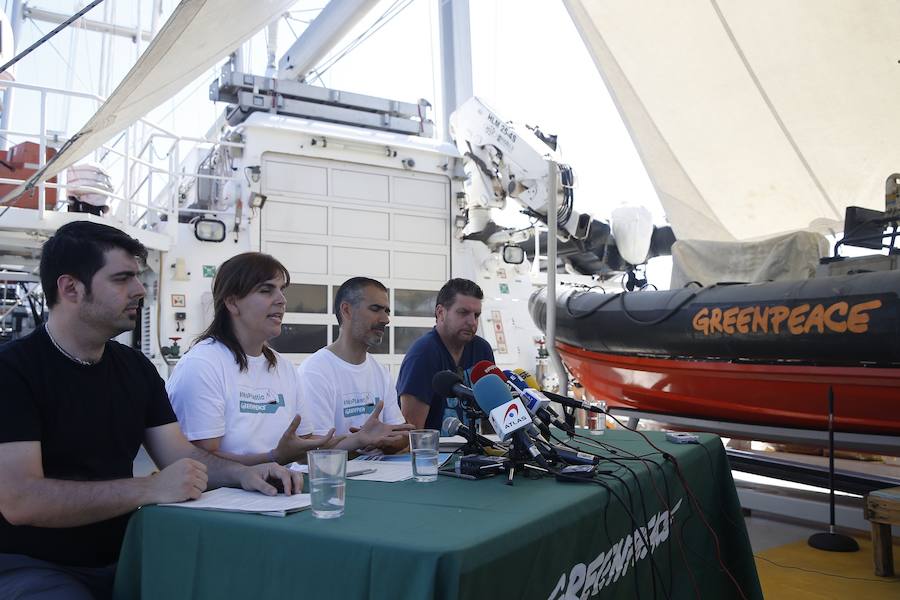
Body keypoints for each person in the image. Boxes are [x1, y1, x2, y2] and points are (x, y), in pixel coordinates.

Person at [0, 222, 299, 600]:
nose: (140, 290)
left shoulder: (136, 369)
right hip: (31, 566)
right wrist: (150, 488)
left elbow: (183, 453)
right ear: (71, 288)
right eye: (123, 278)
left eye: (138, 277)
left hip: (132, 553)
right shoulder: (13, 371)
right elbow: (20, 500)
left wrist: (246, 473)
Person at [167, 255, 403, 462]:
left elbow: (307, 445)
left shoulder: (283, 368)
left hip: (280, 497)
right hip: (221, 507)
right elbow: (201, 464)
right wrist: (272, 460)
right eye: (266, 290)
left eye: (281, 290)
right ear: (231, 302)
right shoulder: (202, 365)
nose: (282, 299)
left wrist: (358, 439)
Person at [298, 277, 412, 454]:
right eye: (375, 309)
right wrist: (360, 440)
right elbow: (312, 452)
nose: (385, 319)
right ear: (347, 310)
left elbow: (401, 436)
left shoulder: (380, 372)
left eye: (386, 311)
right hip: (328, 480)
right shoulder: (315, 371)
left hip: (378, 476)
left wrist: (390, 440)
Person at [397, 278, 495, 432]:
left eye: (476, 315)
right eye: (463, 313)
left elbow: (493, 413)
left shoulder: (482, 349)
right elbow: (412, 433)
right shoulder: (423, 355)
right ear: (440, 313)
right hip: (437, 454)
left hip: (474, 452)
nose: (472, 322)